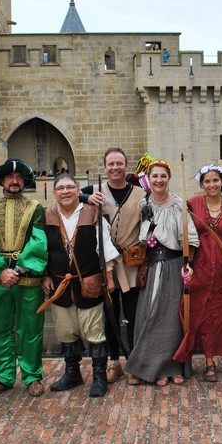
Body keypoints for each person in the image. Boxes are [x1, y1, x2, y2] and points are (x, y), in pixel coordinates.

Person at [42, 174, 119, 398]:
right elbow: (42, 249)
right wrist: (45, 275)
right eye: (60, 188)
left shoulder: (92, 212)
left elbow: (104, 246)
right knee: (66, 332)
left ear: (78, 191)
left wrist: (110, 276)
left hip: (89, 282)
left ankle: (99, 377)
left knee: (94, 331)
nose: (65, 191)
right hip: (60, 284)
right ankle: (72, 373)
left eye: (70, 187)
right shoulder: (47, 215)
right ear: (54, 193)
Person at [0, 158, 48, 397]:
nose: (14, 181)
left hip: (27, 281)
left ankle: (31, 376)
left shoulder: (35, 208)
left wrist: (17, 270)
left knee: (30, 328)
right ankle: (5, 376)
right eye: (10, 177)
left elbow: (39, 242)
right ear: (3, 181)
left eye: (18, 178)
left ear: (24, 181)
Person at [124, 160, 199, 386]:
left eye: (163, 176)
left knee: (172, 320)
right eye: (155, 176)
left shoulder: (178, 205)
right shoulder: (144, 204)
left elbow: (190, 238)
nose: (159, 180)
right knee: (149, 315)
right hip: (151, 265)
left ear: (169, 178)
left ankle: (173, 367)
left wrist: (189, 263)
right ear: (150, 179)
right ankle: (150, 369)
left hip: (174, 265)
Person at [172, 164, 222, 382]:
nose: (212, 184)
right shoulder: (192, 204)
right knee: (203, 317)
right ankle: (209, 360)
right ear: (202, 184)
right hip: (199, 272)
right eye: (207, 181)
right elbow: (183, 232)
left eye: (215, 180)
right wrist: (187, 262)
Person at [82, 147, 146, 385]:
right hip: (106, 264)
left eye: (119, 163)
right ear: (105, 167)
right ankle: (114, 362)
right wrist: (86, 198)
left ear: (126, 166)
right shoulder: (96, 191)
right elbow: (67, 194)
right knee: (109, 314)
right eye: (111, 164)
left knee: (132, 314)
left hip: (131, 262)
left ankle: (134, 363)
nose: (115, 167)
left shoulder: (140, 193)